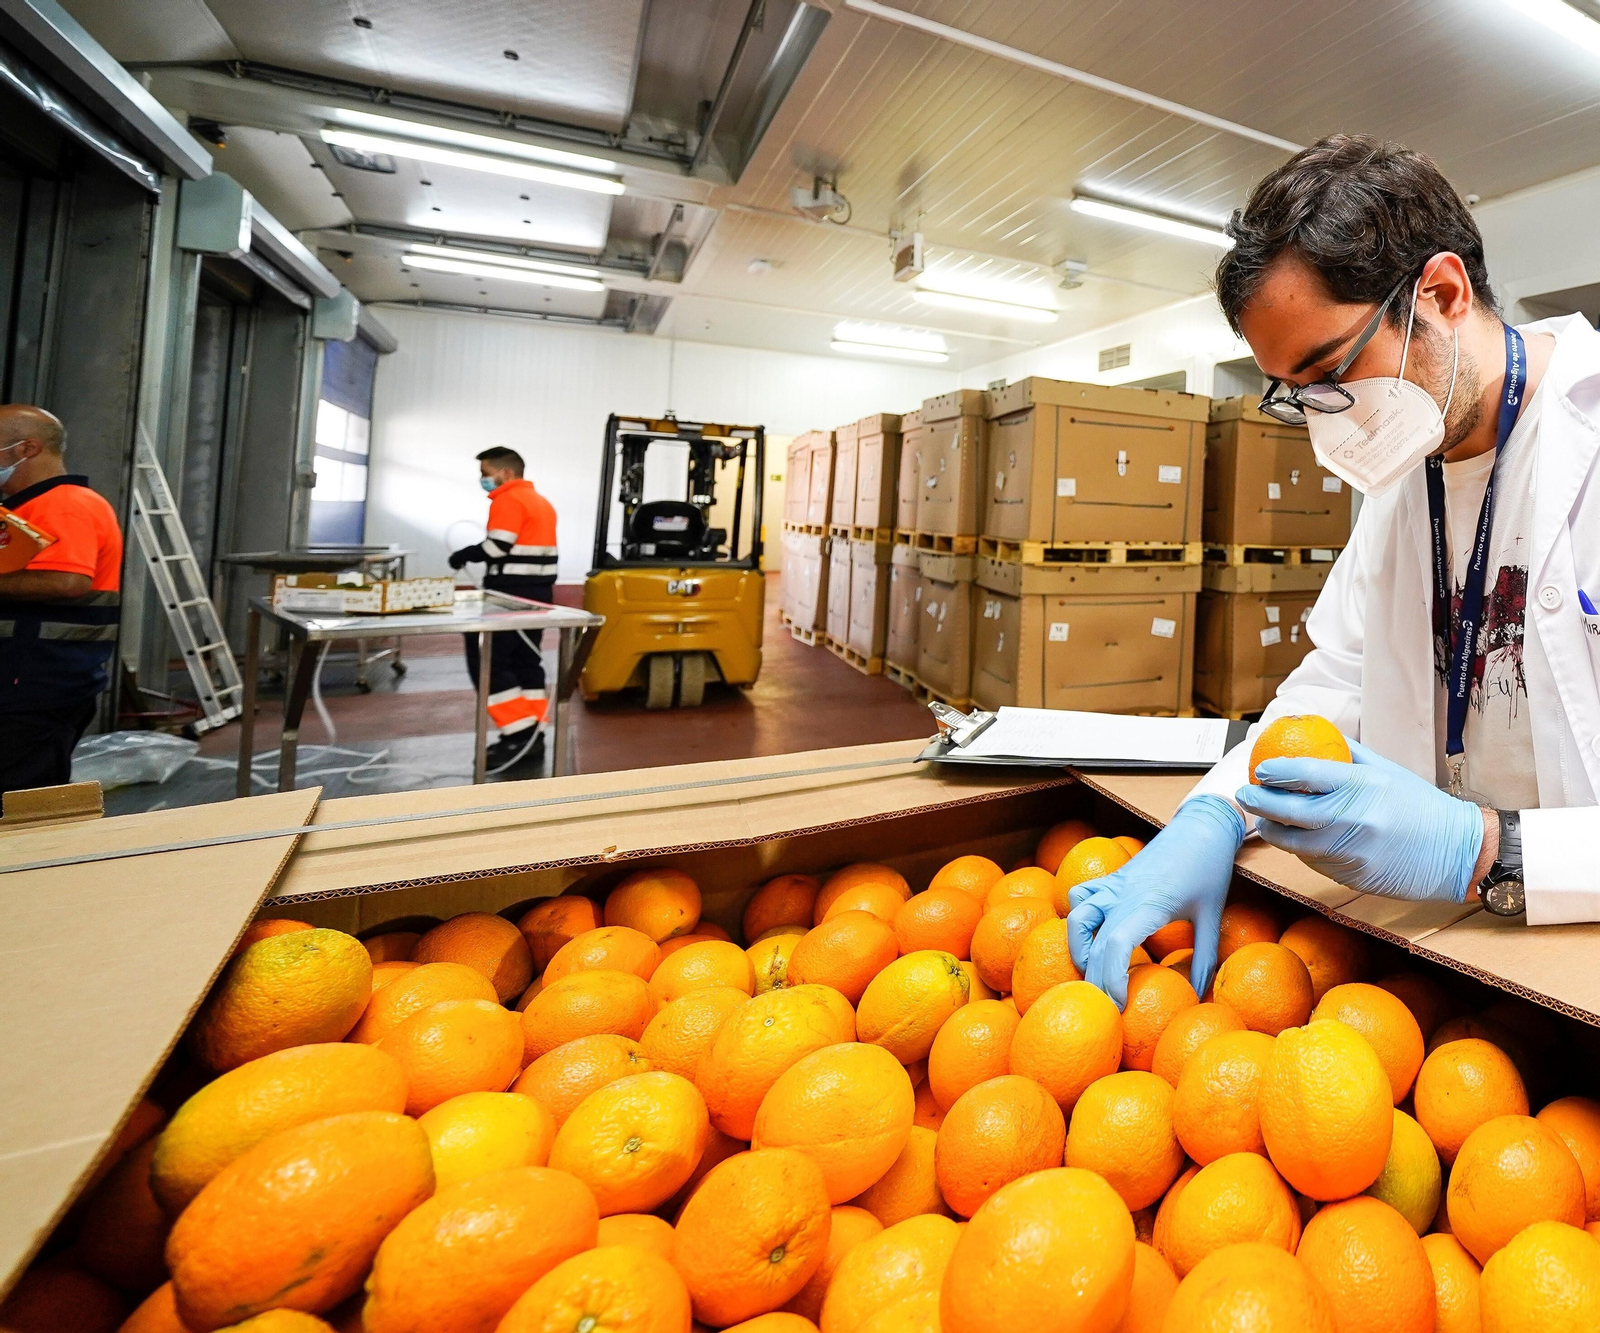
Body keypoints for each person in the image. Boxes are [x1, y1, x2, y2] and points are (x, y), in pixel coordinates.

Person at [1068, 133, 1600, 1007]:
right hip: (1438, 955)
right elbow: (1337, 678)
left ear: (1442, 294)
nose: (1329, 422)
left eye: (1333, 371)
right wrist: (1217, 810)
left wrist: (1487, 850)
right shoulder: (1412, 460)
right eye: (1297, 393)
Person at [0, 405, 123, 796]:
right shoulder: (26, 508)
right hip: (26, 682)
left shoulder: (65, 505)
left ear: (27, 449)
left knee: (21, 801)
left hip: (38, 685)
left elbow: (67, 582)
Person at [448, 446, 558, 771]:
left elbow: (497, 546)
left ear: (506, 473)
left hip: (508, 594)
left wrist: (464, 554)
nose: (483, 479)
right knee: (526, 660)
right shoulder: (541, 502)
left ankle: (517, 733)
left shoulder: (508, 499)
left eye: (485, 473)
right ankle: (533, 736)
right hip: (538, 593)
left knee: (488, 658)